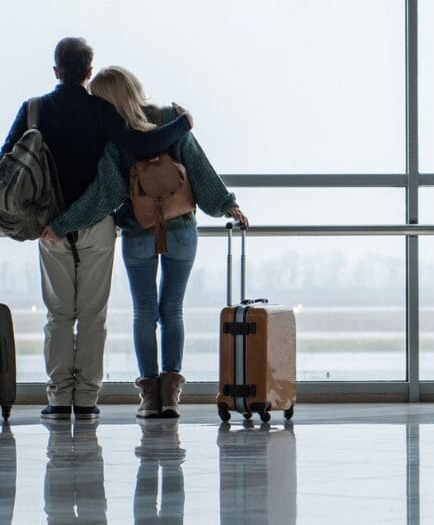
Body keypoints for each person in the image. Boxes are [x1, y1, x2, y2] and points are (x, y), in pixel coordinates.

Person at [1, 38, 193, 422]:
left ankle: (58, 400)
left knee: (58, 315)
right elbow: (141, 145)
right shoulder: (100, 110)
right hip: (97, 228)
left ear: (56, 70)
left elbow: (7, 163)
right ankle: (86, 400)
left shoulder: (34, 110)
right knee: (93, 315)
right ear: (89, 72)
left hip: (49, 227)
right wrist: (181, 123)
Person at [45, 66, 248, 419]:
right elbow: (200, 170)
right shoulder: (171, 121)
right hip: (181, 229)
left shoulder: (116, 142)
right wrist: (227, 204)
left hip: (139, 234)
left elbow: (102, 196)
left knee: (145, 312)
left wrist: (62, 225)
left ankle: (149, 396)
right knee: (173, 310)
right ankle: (171, 395)